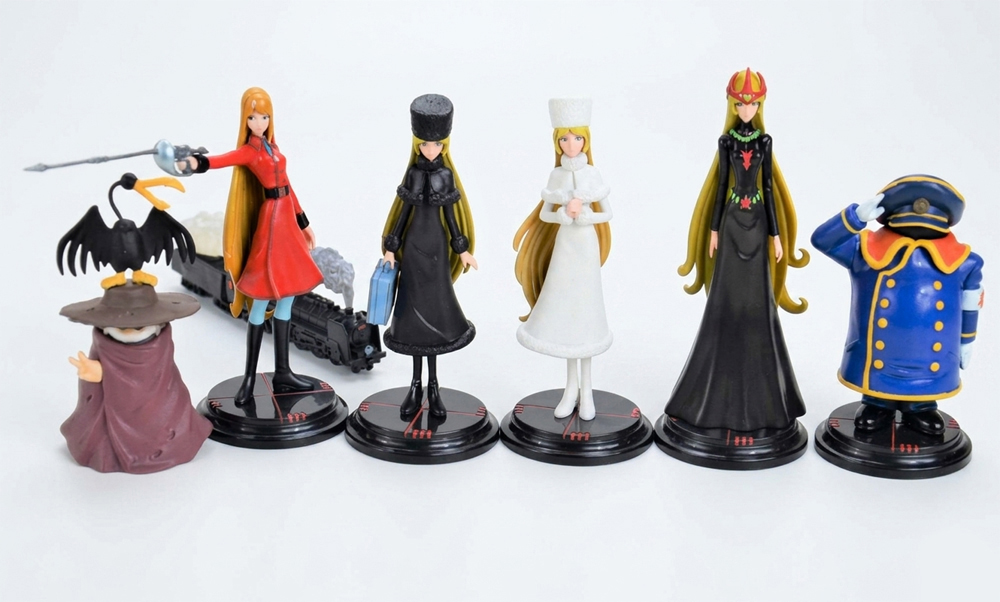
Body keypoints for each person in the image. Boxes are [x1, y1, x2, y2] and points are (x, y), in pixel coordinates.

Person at [668, 68, 808, 433]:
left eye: (754, 104)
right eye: (741, 104)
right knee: (725, 298)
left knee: (758, 301)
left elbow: (768, 186)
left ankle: (766, 391)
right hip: (731, 223)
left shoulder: (765, 142)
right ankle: (714, 381)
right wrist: (713, 229)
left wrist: (776, 235)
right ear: (732, 105)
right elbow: (719, 187)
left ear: (761, 106)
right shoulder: (726, 142)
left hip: (758, 223)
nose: (747, 110)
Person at [180, 87, 322, 405]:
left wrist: (303, 221)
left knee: (287, 295)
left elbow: (288, 186)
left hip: (287, 221)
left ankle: (283, 372)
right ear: (245, 120)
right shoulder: (249, 151)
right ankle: (248, 379)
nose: (260, 122)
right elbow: (221, 160)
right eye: (253, 117)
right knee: (260, 299)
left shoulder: (274, 148)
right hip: (271, 223)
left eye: (265, 116)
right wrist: (195, 162)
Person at [811, 175, 984, 435]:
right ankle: (877, 403)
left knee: (924, 381)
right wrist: (855, 217)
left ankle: (921, 405)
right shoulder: (863, 251)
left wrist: (967, 341)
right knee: (878, 382)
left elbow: (970, 307)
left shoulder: (966, 263)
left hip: (933, 359)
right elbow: (823, 240)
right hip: (876, 360)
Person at [513, 98, 613, 421]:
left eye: (577, 138)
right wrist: (563, 214)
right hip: (565, 249)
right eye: (565, 139)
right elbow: (545, 212)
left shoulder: (593, 174)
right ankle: (571, 389)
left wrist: (583, 214)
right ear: (557, 142)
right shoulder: (556, 175)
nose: (571, 145)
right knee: (568, 315)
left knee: (586, 313)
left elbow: (607, 213)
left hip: (585, 248)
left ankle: (588, 390)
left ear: (586, 140)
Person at [381, 94, 477, 418]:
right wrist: (391, 247)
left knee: (435, 314)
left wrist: (462, 249)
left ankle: (433, 386)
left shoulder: (445, 177)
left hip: (436, 251)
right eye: (424, 144)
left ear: (444, 145)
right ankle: (415, 385)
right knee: (412, 316)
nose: (430, 150)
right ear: (417, 144)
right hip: (412, 251)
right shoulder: (412, 175)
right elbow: (402, 213)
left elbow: (451, 217)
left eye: (436, 144)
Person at [60, 282, 211, 473]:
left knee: (164, 420)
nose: (130, 330)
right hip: (113, 421)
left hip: (164, 409)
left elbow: (150, 376)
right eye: (122, 327)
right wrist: (95, 377)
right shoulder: (104, 344)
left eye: (139, 326)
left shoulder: (160, 344)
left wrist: (106, 374)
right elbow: (95, 393)